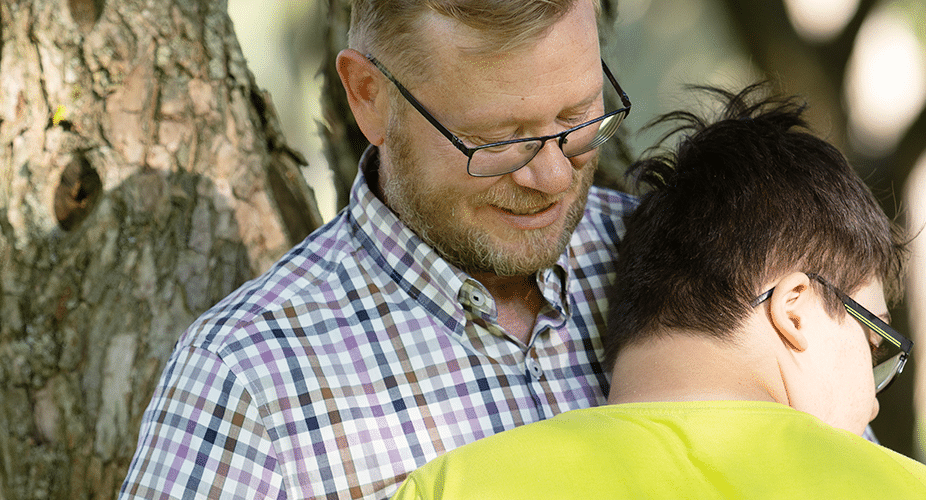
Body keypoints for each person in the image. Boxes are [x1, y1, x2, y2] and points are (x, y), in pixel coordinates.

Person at [118, 1, 638, 498]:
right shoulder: (245, 379)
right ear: (369, 96)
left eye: (576, 117)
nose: (550, 177)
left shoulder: (678, 255)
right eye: (497, 139)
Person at [390, 86, 926, 499]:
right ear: (795, 311)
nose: (874, 402)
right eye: (874, 340)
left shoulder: (454, 485)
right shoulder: (898, 488)